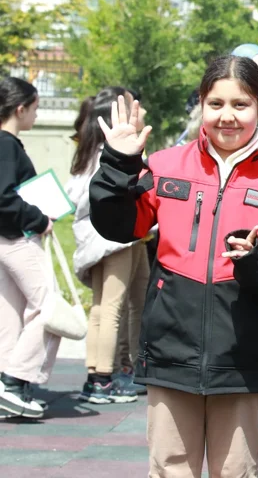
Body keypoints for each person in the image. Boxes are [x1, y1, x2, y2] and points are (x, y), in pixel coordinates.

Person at [90, 55, 258, 477]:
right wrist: (118, 164)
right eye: (216, 104)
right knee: (169, 469)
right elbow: (118, 226)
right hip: (169, 353)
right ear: (201, 103)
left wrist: (257, 264)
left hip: (242, 361)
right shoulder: (163, 166)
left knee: (236, 471)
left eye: (241, 104)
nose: (227, 116)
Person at [67, 87, 150, 404]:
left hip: (96, 240)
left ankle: (97, 376)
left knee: (102, 308)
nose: (139, 110)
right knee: (112, 308)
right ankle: (103, 379)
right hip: (114, 240)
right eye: (132, 106)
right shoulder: (116, 150)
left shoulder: (89, 150)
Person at [0, 77, 57, 419]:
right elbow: (4, 197)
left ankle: (7, 385)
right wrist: (39, 219)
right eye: (35, 109)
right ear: (20, 109)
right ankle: (16, 379)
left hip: (4, 241)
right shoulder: (7, 145)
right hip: (16, 239)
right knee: (48, 308)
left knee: (10, 312)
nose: (37, 115)